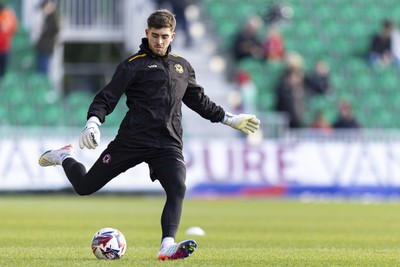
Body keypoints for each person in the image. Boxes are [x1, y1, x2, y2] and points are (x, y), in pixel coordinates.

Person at [38, 9, 260, 261]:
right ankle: (65, 156)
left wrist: (230, 119)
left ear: (172, 35)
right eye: (155, 35)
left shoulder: (182, 66)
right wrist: (93, 121)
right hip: (132, 140)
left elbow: (199, 102)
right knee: (85, 187)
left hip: (168, 144)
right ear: (147, 33)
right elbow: (106, 97)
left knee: (177, 187)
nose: (159, 41)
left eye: (164, 36)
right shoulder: (132, 65)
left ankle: (167, 245)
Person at [275, 52, 306, 128]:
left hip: (298, 114)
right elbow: (280, 93)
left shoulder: (303, 77)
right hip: (286, 112)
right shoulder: (284, 78)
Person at [35, 0, 60, 74]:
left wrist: (46, 29)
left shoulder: (54, 17)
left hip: (47, 47)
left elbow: (55, 29)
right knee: (40, 68)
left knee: (43, 70)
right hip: (42, 47)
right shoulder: (47, 17)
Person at [0, 2, 18, 77]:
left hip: (5, 47)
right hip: (5, 47)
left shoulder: (8, 16)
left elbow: (13, 29)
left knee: (3, 70)